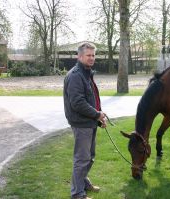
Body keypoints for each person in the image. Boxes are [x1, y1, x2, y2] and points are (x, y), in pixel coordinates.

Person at [63, 42, 107, 199]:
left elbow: (91, 98)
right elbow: (78, 103)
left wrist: (99, 115)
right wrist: (97, 115)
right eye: (88, 55)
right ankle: (77, 194)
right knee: (82, 159)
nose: (91, 58)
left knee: (90, 157)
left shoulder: (87, 73)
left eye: (93, 55)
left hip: (90, 121)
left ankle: (83, 182)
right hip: (81, 123)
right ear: (79, 56)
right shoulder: (76, 75)